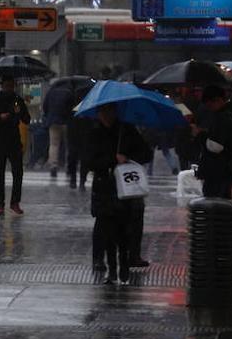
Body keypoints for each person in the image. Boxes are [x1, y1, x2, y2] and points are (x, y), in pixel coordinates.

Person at [86, 104, 153, 284]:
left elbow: (146, 154)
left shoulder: (127, 130)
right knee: (104, 227)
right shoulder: (95, 133)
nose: (106, 116)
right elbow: (90, 162)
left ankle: (125, 267)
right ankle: (104, 263)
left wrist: (127, 156)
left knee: (125, 230)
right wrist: (111, 159)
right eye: (102, 112)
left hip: (126, 188)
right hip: (104, 187)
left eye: (109, 111)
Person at [0, 77, 31, 215]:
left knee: (18, 172)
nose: (9, 88)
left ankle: (15, 202)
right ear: (2, 86)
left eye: (11, 85)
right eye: (7, 85)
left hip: (13, 140)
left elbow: (26, 119)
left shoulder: (17, 100)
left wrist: (19, 111)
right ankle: (0, 203)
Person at [192, 85, 232, 199]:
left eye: (209, 104)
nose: (209, 108)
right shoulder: (230, 115)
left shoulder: (222, 118)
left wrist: (200, 134)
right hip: (224, 170)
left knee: (214, 203)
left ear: (217, 100)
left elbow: (216, 146)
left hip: (217, 171)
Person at [43, 78, 75, 179]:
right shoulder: (69, 93)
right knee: (68, 145)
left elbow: (45, 107)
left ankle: (53, 166)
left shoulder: (51, 92)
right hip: (67, 122)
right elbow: (73, 108)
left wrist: (49, 116)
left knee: (54, 144)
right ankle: (68, 167)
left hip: (53, 122)